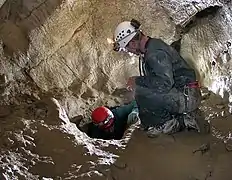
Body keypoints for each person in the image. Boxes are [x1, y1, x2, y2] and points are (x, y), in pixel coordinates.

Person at [112, 19, 210, 137]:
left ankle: (178, 122)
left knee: (141, 92)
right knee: (142, 93)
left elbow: (164, 83)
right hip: (183, 92)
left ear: (133, 43)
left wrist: (137, 81)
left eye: (128, 49)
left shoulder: (155, 53)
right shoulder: (150, 48)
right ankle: (167, 118)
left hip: (187, 97)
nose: (130, 52)